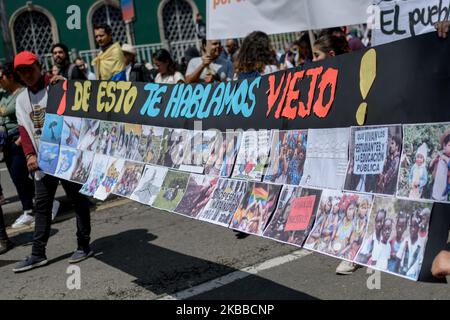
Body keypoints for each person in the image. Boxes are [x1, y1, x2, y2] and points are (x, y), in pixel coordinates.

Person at [12, 51, 93, 273]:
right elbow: (24, 129)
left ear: (39, 66)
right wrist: (30, 155)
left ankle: (83, 245)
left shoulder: (57, 86)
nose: (27, 74)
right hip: (43, 160)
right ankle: (38, 253)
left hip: (68, 156)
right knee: (42, 207)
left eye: (30, 69)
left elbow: (82, 103)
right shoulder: (21, 99)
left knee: (78, 199)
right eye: (22, 72)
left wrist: (68, 85)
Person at [0, 63, 35, 229]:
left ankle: (32, 208)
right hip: (6, 140)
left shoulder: (22, 93)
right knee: (16, 177)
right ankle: (33, 206)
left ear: (10, 77)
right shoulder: (3, 95)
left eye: (0, 77)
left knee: (20, 174)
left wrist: (22, 138)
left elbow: (27, 116)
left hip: (19, 138)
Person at [429, 129, 450, 201]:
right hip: (435, 191)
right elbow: (431, 167)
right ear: (444, 146)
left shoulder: (446, 158)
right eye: (449, 145)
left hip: (444, 194)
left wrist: (445, 159)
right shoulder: (439, 157)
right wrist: (434, 160)